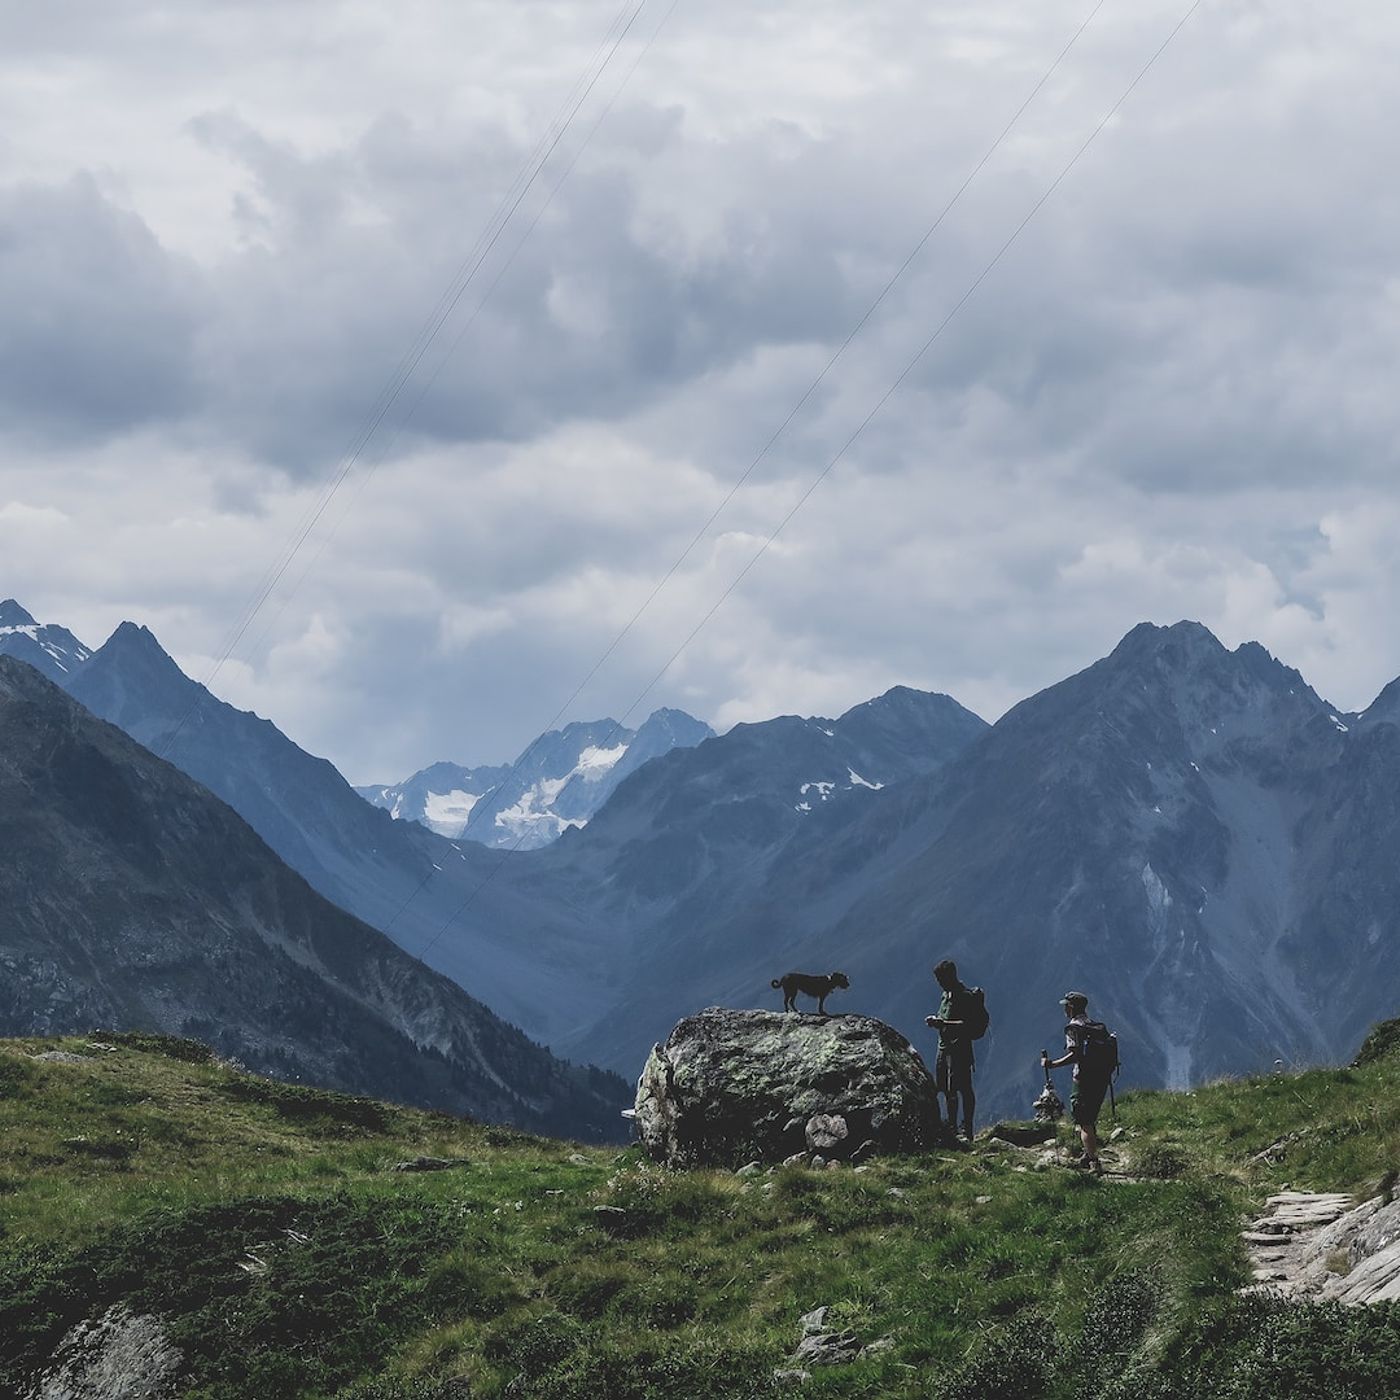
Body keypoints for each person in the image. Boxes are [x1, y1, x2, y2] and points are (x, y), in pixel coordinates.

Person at [1041, 991, 1108, 1175]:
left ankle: (1094, 1161)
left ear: (1071, 1007)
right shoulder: (1095, 1026)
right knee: (1090, 1117)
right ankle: (1087, 1154)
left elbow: (1075, 1054)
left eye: (1066, 1006)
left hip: (1083, 1079)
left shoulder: (1074, 1028)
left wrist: (1052, 1064)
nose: (1064, 1009)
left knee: (1084, 1120)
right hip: (1101, 1078)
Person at [924, 959, 984, 1141]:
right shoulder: (946, 996)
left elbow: (967, 1024)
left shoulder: (964, 997)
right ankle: (952, 1127)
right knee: (947, 1089)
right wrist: (937, 1021)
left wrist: (943, 1024)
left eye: (941, 979)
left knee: (963, 1088)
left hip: (960, 1049)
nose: (939, 983)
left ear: (950, 976)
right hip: (943, 1048)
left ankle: (967, 1128)